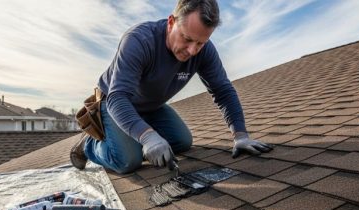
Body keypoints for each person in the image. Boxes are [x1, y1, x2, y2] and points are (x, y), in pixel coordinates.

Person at [71, 0, 273, 174]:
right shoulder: (139, 41)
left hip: (151, 106)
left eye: (201, 43)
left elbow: (223, 91)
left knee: (181, 142)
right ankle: (89, 145)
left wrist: (240, 135)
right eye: (186, 39)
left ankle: (134, 137)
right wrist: (148, 136)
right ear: (171, 22)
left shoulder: (204, 51)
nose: (192, 50)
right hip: (114, 103)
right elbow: (117, 97)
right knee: (127, 161)